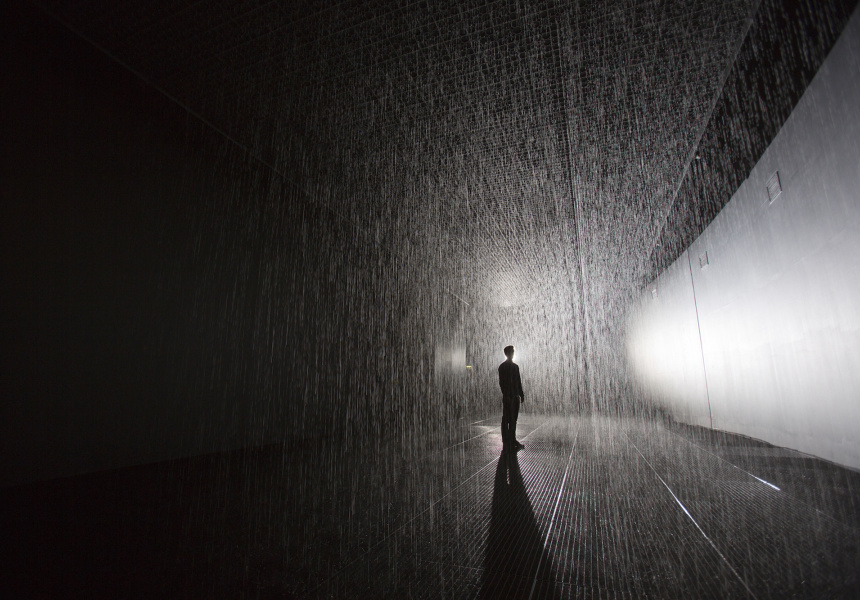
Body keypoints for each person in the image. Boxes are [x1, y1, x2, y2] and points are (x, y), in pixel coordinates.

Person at [498, 345, 525, 452]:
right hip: (512, 396)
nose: (512, 354)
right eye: (511, 352)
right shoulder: (512, 367)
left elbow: (505, 383)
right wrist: (518, 394)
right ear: (508, 354)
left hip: (511, 396)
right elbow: (515, 382)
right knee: (510, 419)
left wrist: (518, 394)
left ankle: (508, 440)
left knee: (509, 419)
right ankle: (510, 440)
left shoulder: (503, 367)